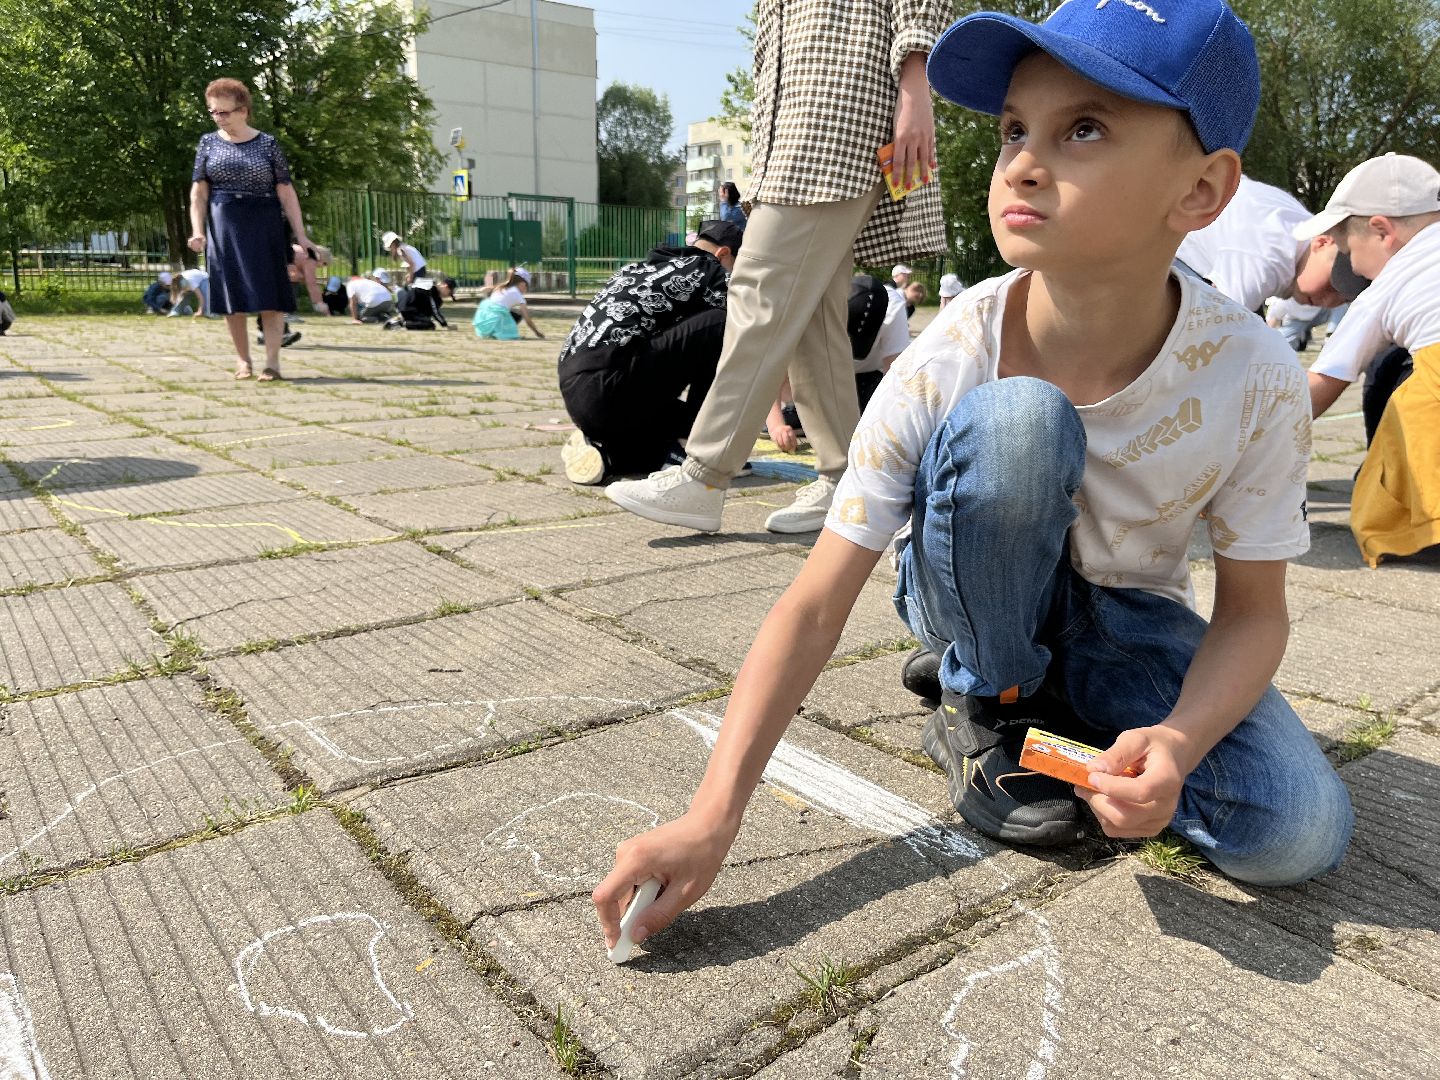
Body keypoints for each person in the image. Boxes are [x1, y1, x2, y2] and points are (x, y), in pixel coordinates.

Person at [593, 0, 1355, 956]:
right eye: (1013, 130)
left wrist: (1179, 742)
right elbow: (816, 602)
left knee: (1296, 833)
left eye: (1084, 129)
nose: (1023, 164)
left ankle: (1063, 713)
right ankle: (985, 695)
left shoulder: (1257, 377)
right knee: (1019, 421)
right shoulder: (954, 348)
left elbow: (1252, 613)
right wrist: (712, 816)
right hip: (967, 581)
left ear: (1201, 189)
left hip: (1124, 617)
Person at [605, 0, 947, 536]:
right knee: (813, 318)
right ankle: (844, 482)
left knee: (758, 288)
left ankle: (705, 474)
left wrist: (916, 88)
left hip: (837, 114)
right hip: (800, 124)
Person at [1295, 152, 1440, 565]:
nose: (1352, 269)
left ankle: (1417, 522)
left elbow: (1318, 388)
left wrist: (1240, 442)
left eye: (1347, 250)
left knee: (1402, 398)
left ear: (1381, 231)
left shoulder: (1389, 282)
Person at [557, 219, 741, 484]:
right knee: (725, 322)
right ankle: (702, 442)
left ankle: (606, 454)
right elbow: (750, 313)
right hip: (613, 385)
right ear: (723, 253)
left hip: (579, 393)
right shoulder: (708, 268)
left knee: (668, 441)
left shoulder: (637, 268)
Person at [188, 77, 315, 381]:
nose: (218, 118)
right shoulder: (208, 143)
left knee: (269, 294)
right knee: (231, 296)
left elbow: (286, 193)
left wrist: (301, 235)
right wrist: (198, 230)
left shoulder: (267, 144)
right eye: (213, 112)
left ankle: (272, 363)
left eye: (224, 112)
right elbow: (199, 193)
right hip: (224, 225)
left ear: (243, 110)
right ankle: (243, 361)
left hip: (264, 224)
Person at [1177, 174, 1350, 314]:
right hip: (1178, 247)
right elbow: (1215, 323)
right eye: (1333, 285)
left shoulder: (1301, 226)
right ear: (1322, 242)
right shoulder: (1266, 262)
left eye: (1347, 298)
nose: (1330, 302)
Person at [473, 268, 543, 339]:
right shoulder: (518, 296)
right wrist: (537, 332)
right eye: (526, 287)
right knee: (515, 317)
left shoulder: (501, 287)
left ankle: (493, 332)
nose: (526, 290)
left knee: (512, 314)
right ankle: (499, 332)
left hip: (483, 317)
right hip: (495, 318)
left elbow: (483, 290)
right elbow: (527, 318)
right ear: (523, 284)